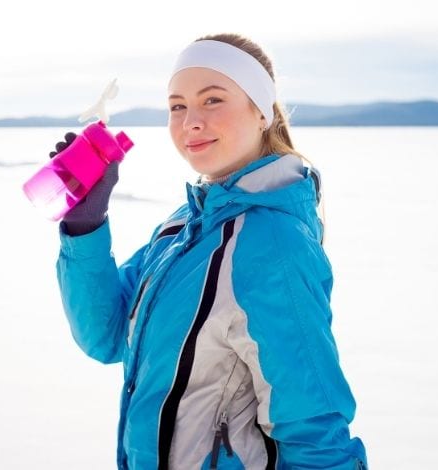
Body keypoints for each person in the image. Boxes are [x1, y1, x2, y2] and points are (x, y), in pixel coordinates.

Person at [52, 33, 368, 469]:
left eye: (213, 100)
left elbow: (312, 427)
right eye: (177, 105)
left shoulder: (271, 244)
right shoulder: (184, 226)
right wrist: (85, 225)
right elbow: (105, 335)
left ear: (262, 112)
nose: (190, 122)